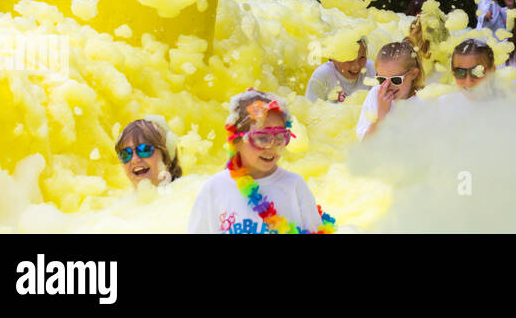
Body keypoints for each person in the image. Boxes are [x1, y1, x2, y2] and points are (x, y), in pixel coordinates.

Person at [188, 90, 334, 234]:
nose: (271, 146)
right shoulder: (214, 189)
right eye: (262, 138)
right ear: (237, 141)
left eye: (279, 137)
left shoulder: (295, 186)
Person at [357, 40, 424, 140]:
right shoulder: (375, 95)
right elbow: (364, 144)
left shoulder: (425, 98)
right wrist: (381, 116)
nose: (387, 85)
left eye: (395, 79)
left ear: (414, 74)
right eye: (381, 79)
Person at [115, 116, 182, 188]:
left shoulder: (186, 191)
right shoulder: (124, 197)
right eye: (125, 154)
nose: (134, 159)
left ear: (165, 156)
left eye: (144, 149)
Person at [305, 38, 373, 102]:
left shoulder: (372, 70)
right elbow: (309, 110)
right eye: (350, 59)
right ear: (333, 58)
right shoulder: (322, 76)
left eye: (362, 58)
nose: (357, 66)